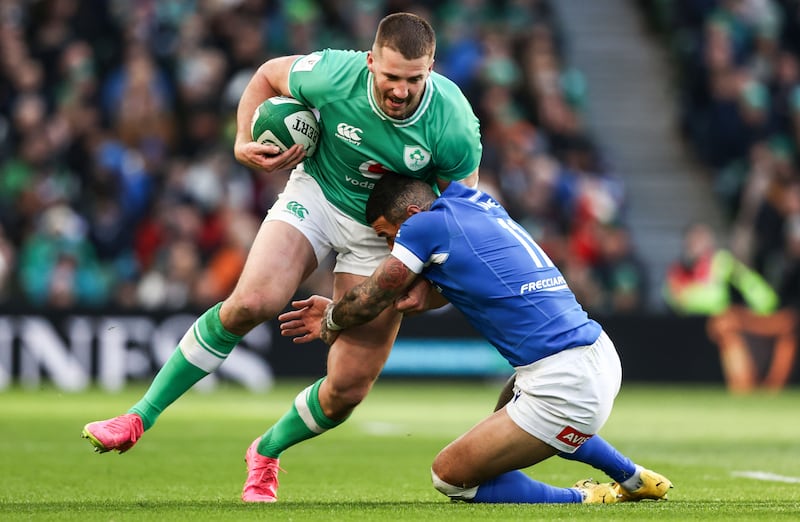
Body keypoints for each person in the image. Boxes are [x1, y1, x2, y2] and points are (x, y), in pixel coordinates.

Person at [81, 12, 482, 502]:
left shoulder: (455, 124)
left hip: (384, 233)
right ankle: (139, 415)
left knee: (348, 388)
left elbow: (460, 219)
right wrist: (240, 140)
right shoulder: (335, 73)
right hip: (317, 193)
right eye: (391, 77)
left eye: (414, 80)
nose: (401, 91)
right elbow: (267, 74)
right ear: (372, 61)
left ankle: (266, 452)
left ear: (432, 68)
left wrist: (428, 286)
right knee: (253, 301)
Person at [279, 174, 673, 504]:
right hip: (596, 352)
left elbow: (374, 296)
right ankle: (632, 475)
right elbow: (473, 270)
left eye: (387, 235)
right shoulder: (476, 202)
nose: (389, 246)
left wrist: (331, 319)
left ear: (412, 215)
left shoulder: (422, 226)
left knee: (449, 476)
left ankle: (585, 498)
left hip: (566, 381)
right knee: (509, 403)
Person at [663, 221, 796, 393]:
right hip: (701, 326)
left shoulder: (721, 262)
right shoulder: (679, 269)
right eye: (693, 241)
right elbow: (673, 297)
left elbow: (746, 286)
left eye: (700, 241)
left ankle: (749, 384)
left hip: (730, 319)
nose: (697, 246)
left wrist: (764, 310)